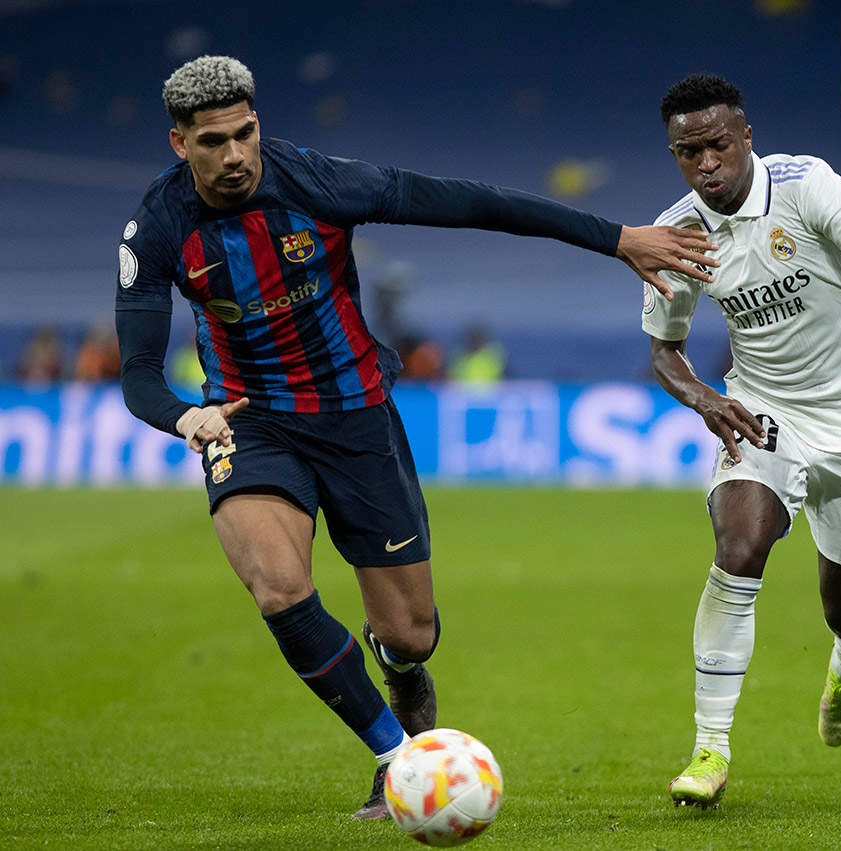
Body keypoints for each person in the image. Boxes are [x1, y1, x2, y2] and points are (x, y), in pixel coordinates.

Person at [116, 55, 720, 820]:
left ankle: (396, 661)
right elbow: (137, 372)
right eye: (212, 142)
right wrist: (183, 415)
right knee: (278, 585)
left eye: (245, 133)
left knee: (412, 632)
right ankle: (397, 757)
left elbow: (473, 203)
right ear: (180, 144)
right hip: (249, 421)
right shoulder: (157, 227)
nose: (234, 155)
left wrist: (619, 237)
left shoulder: (320, 183)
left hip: (358, 414)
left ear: (258, 123)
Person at [642, 74, 841, 809]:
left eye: (715, 144)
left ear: (746, 137)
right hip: (766, 412)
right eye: (687, 152)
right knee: (738, 545)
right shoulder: (676, 233)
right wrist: (707, 398)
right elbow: (664, 349)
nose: (704, 163)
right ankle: (710, 746)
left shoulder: (806, 188)